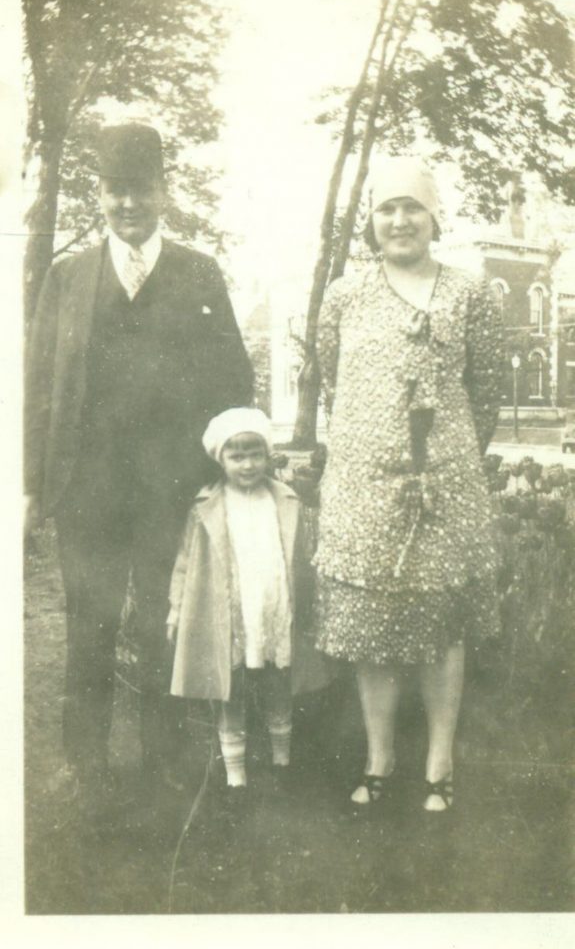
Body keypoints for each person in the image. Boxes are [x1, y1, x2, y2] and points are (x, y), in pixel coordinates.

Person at [24, 123, 253, 811]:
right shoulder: (68, 278)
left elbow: (233, 380)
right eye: (116, 190)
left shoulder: (199, 273)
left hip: (170, 491)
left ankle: (165, 762)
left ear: (163, 193)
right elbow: (37, 388)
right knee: (88, 626)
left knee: (164, 625)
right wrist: (31, 488)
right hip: (86, 490)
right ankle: (84, 765)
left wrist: (221, 470)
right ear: (99, 194)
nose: (129, 204)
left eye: (141, 190)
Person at [314, 157, 505, 813]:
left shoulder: (468, 292)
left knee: (440, 624)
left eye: (412, 209)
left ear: (433, 218)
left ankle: (438, 759)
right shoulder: (344, 294)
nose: (399, 221)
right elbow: (335, 378)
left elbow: (485, 391)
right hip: (362, 485)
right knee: (372, 623)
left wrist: (448, 458)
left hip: (444, 488)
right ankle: (378, 756)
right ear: (371, 221)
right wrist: (375, 445)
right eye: (386, 209)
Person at [167, 407, 329, 802]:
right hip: (233, 614)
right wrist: (175, 608)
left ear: (268, 455)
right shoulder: (206, 507)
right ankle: (235, 776)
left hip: (273, 609)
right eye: (236, 456)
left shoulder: (284, 500)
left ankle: (282, 762)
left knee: (278, 685)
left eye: (255, 454)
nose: (248, 464)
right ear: (220, 459)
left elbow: (303, 557)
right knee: (231, 690)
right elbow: (185, 563)